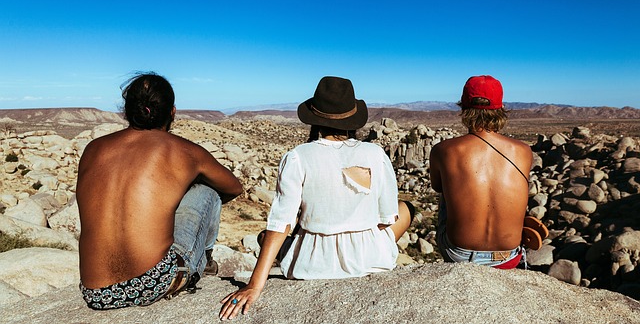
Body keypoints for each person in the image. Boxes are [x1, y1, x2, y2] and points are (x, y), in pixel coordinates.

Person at [219, 76, 414, 320]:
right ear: (352, 119)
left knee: (263, 236)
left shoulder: (298, 157)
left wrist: (255, 284)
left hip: (313, 263)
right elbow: (387, 218)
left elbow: (281, 223)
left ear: (314, 119)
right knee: (405, 208)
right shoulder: (375, 154)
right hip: (370, 258)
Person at [77, 73, 243, 309]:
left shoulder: (93, 149)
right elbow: (233, 188)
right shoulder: (184, 151)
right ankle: (203, 263)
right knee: (207, 192)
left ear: (127, 110)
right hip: (152, 283)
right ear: (172, 112)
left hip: (95, 293)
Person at [430, 75, 532, 269]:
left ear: (464, 108)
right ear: (501, 108)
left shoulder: (443, 150)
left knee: (446, 192)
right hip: (509, 257)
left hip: (459, 254)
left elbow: (437, 187)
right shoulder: (524, 151)